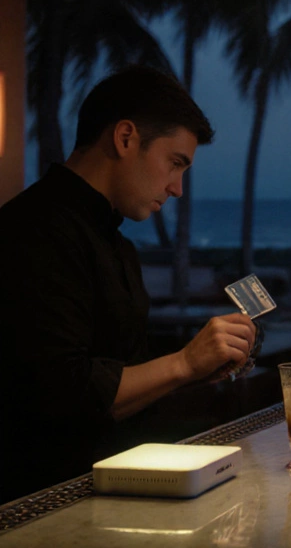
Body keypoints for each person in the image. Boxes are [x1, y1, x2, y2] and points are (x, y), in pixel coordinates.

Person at [0, 67, 257, 503]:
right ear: (125, 138)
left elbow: (122, 380)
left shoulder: (117, 246)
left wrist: (196, 370)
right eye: (175, 163)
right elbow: (64, 394)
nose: (177, 188)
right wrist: (183, 365)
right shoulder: (32, 230)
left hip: (113, 490)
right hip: (39, 505)